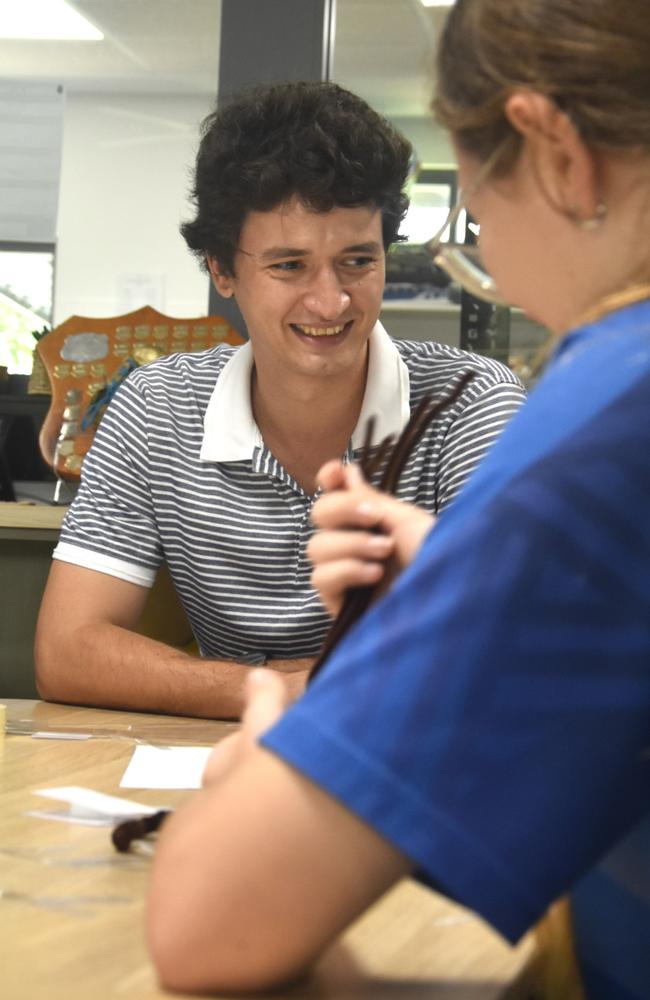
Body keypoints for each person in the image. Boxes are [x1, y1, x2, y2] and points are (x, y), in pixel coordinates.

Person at [145, 1, 650, 996]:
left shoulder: (608, 403)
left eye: (476, 202)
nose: (490, 255)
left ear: (554, 150)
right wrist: (471, 575)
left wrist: (258, 755)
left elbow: (208, 929)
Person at [34, 80, 524, 719]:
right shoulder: (157, 407)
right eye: (289, 266)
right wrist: (278, 689)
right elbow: (67, 652)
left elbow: (510, 654)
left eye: (357, 260)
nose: (331, 301)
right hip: (226, 769)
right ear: (221, 270)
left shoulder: (472, 404)